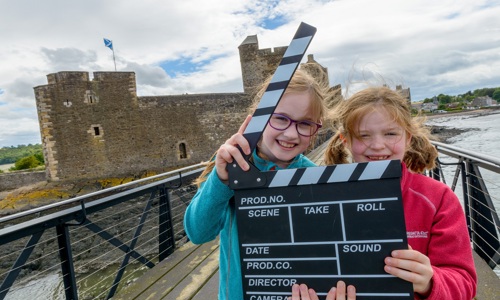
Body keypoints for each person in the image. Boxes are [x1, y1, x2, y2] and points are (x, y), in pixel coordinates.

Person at [184, 67, 340, 300]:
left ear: (316, 128)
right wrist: (221, 180)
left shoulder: (313, 176)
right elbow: (198, 232)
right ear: (258, 118)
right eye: (279, 119)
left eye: (305, 124)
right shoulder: (229, 167)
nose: (291, 134)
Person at [324, 86, 477, 299]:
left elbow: (465, 283)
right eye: (364, 135)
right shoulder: (325, 199)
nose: (378, 145)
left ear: (408, 138)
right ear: (345, 141)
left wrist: (430, 282)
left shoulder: (439, 199)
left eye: (391, 134)